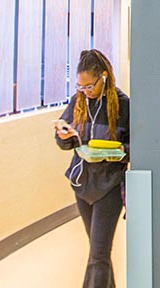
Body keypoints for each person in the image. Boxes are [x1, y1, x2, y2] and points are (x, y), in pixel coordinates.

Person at [55, 49, 130, 288]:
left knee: (98, 255)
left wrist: (116, 151)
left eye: (89, 86)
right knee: (99, 254)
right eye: (80, 87)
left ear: (104, 77)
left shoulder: (122, 105)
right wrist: (63, 136)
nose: (85, 92)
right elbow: (65, 142)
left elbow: (135, 146)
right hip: (81, 184)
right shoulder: (79, 101)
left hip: (108, 185)